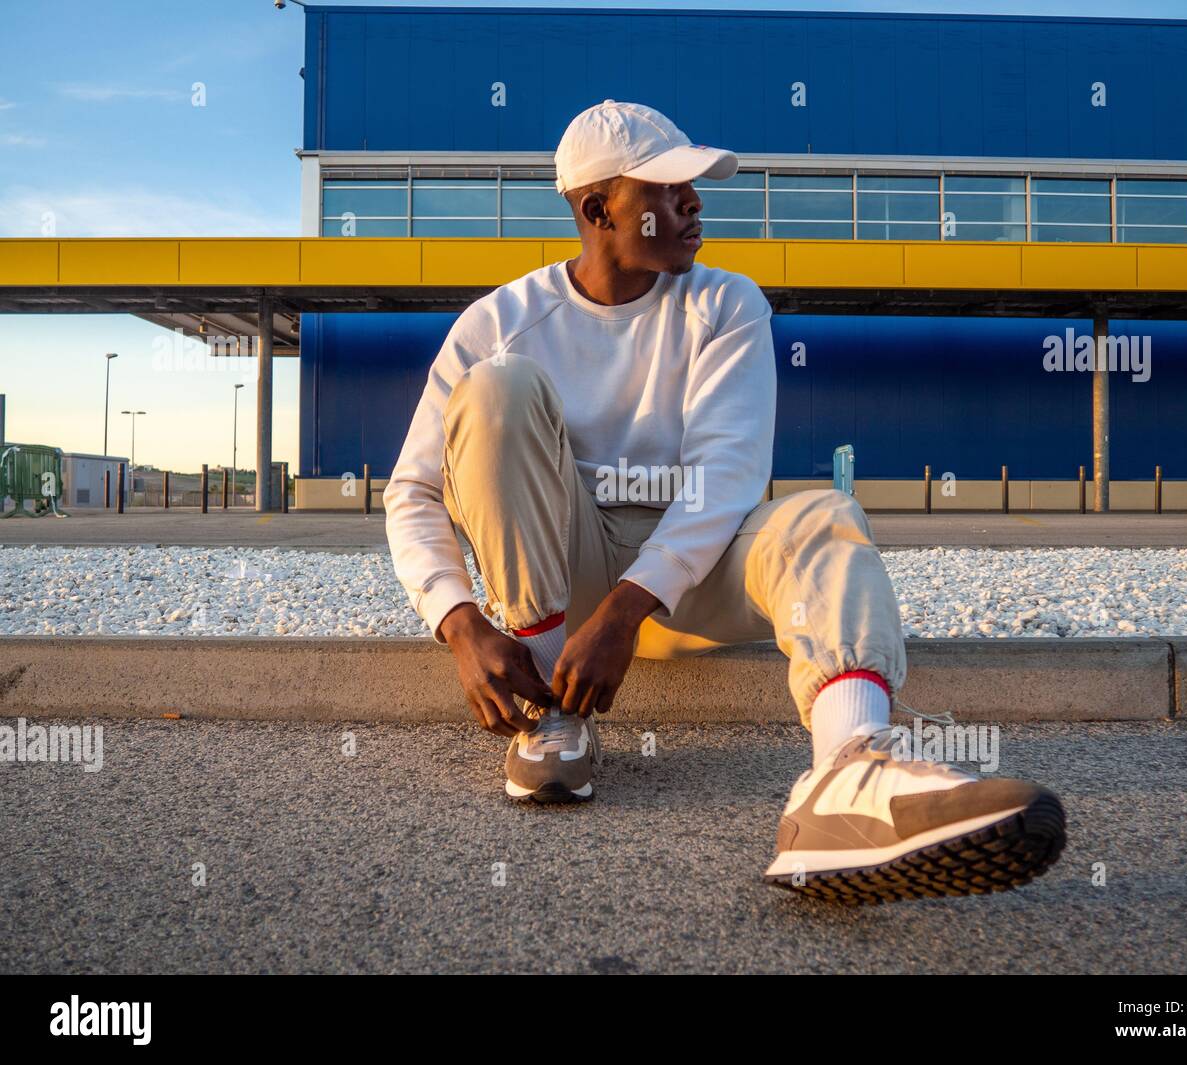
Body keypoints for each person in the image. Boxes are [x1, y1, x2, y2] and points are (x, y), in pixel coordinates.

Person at [384, 100, 1066, 904]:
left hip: (686, 579)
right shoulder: (500, 322)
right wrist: (461, 625)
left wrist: (627, 613)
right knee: (496, 393)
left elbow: (727, 474)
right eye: (668, 192)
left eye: (694, 188)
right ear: (599, 210)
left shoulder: (727, 304)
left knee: (823, 516)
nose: (694, 205)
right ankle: (551, 716)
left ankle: (846, 779)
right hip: (564, 582)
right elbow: (414, 490)